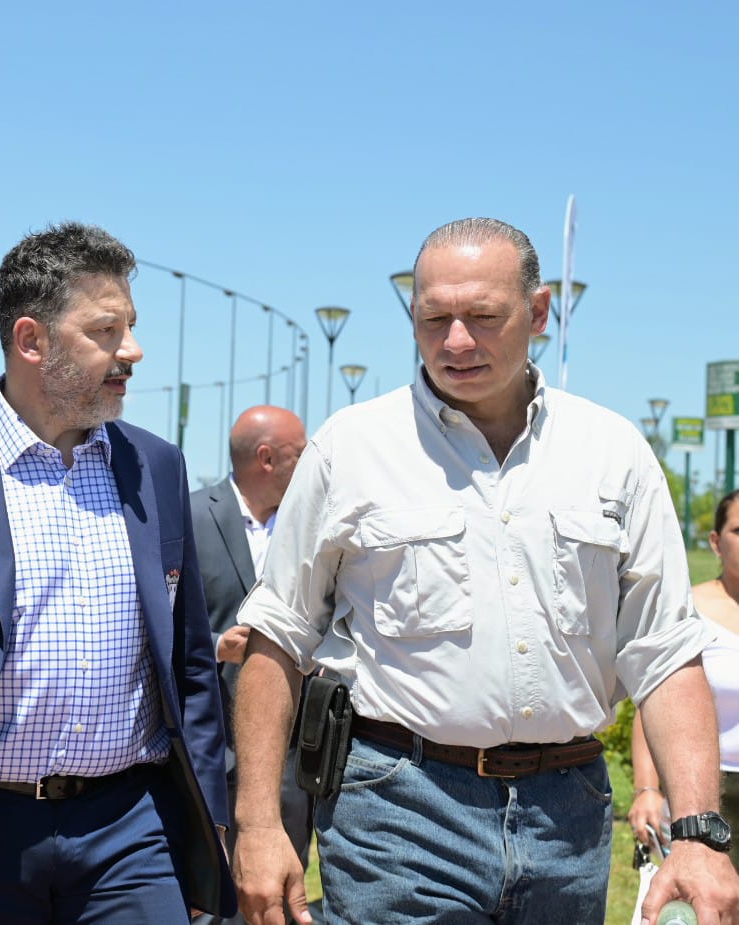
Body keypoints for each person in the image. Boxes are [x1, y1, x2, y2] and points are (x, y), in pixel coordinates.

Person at [231, 217, 739, 925]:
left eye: (483, 316)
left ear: (539, 312)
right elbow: (277, 637)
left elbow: (665, 654)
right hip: (400, 810)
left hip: (569, 817)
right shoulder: (351, 448)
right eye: (433, 318)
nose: (456, 341)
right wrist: (259, 825)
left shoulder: (613, 452)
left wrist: (698, 835)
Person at [0, 221, 234, 924]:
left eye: (130, 327)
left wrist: (216, 821)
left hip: (131, 826)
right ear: (31, 340)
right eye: (106, 330)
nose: (131, 350)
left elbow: (190, 661)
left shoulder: (156, 466)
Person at [191, 406, 307, 925]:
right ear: (266, 458)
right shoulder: (189, 516)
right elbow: (151, 624)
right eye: (301, 454)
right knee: (205, 900)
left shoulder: (311, 526)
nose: (311, 464)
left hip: (289, 756)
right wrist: (217, 645)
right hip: (208, 752)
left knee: (278, 900)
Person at [631, 489, 739, 871]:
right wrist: (648, 788)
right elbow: (656, 696)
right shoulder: (687, 610)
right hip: (705, 792)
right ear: (716, 542)